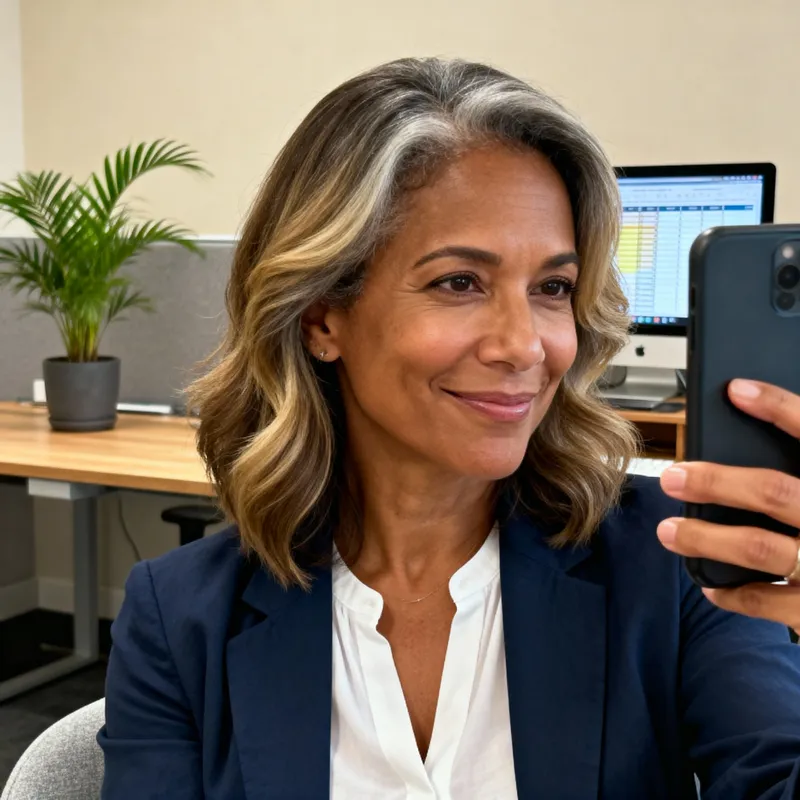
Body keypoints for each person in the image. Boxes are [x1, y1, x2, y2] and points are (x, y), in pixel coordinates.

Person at [98, 58, 800, 799]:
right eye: (459, 282)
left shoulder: (674, 564)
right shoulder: (178, 620)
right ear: (321, 316)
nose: (525, 345)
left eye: (552, 288)